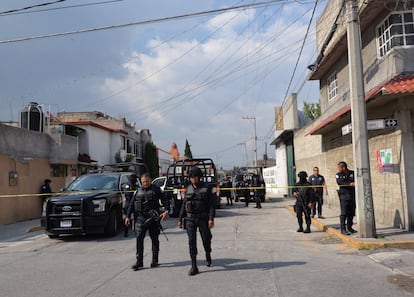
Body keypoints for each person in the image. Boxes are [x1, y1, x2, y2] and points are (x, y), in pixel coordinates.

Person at [125, 173, 169, 271]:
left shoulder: (156, 190)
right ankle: (139, 261)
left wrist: (166, 211)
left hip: (153, 218)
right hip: (141, 218)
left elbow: (165, 200)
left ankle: (154, 260)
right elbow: (131, 204)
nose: (145, 183)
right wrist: (127, 216)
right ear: (141, 181)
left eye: (147, 181)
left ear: (150, 180)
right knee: (139, 239)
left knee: (154, 239)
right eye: (143, 181)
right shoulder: (137, 191)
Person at [178, 167, 215, 276]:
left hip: (203, 219)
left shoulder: (206, 188)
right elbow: (184, 205)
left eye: (195, 177)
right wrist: (180, 219)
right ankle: (194, 266)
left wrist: (211, 219)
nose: (193, 179)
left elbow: (212, 205)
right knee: (191, 242)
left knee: (206, 239)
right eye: (191, 177)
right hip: (190, 219)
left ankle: (208, 254)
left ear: (199, 177)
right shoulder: (188, 188)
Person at [336, 161, 357, 235]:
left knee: (351, 213)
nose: (338, 169)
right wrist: (350, 183)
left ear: (343, 167)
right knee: (344, 213)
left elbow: (357, 181)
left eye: (339, 167)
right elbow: (340, 182)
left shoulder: (352, 173)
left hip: (352, 195)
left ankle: (349, 227)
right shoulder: (338, 175)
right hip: (344, 196)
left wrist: (353, 183)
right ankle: (343, 229)